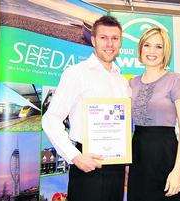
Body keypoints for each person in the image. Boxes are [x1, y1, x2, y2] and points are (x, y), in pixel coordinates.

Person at [42, 15, 130, 201]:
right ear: (93, 40)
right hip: (86, 163)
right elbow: (51, 119)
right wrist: (75, 157)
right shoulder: (77, 73)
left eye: (115, 38)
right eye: (103, 38)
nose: (109, 44)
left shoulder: (122, 81)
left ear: (120, 42)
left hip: (117, 165)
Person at [127, 27, 180, 201]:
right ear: (140, 48)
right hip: (138, 156)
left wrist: (178, 170)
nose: (152, 51)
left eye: (159, 46)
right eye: (147, 45)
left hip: (165, 155)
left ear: (166, 51)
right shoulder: (131, 83)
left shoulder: (176, 80)